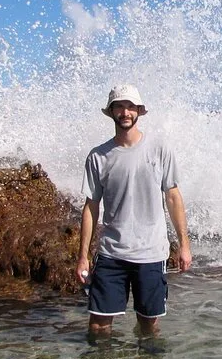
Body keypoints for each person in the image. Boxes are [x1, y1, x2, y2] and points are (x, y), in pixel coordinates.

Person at [76, 84, 192, 337]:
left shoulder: (160, 148)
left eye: (130, 106)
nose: (125, 112)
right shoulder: (98, 156)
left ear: (139, 111)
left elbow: (173, 197)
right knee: (98, 325)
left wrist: (184, 245)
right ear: (111, 112)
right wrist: (83, 256)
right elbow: (91, 207)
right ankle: (102, 358)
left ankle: (146, 358)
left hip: (151, 253)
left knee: (149, 326)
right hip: (111, 253)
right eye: (119, 106)